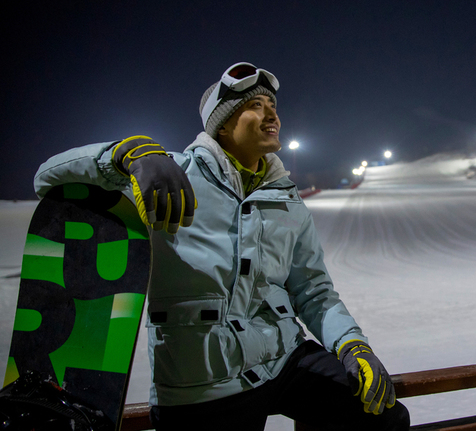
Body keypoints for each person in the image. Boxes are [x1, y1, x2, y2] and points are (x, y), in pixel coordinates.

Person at [34, 62, 410, 430]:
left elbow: (314, 291)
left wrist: (351, 345)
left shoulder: (287, 199)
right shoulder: (168, 176)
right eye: (255, 107)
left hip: (283, 362)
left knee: (383, 416)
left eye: (273, 108)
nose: (271, 116)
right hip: (202, 384)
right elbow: (46, 178)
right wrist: (125, 154)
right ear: (224, 124)